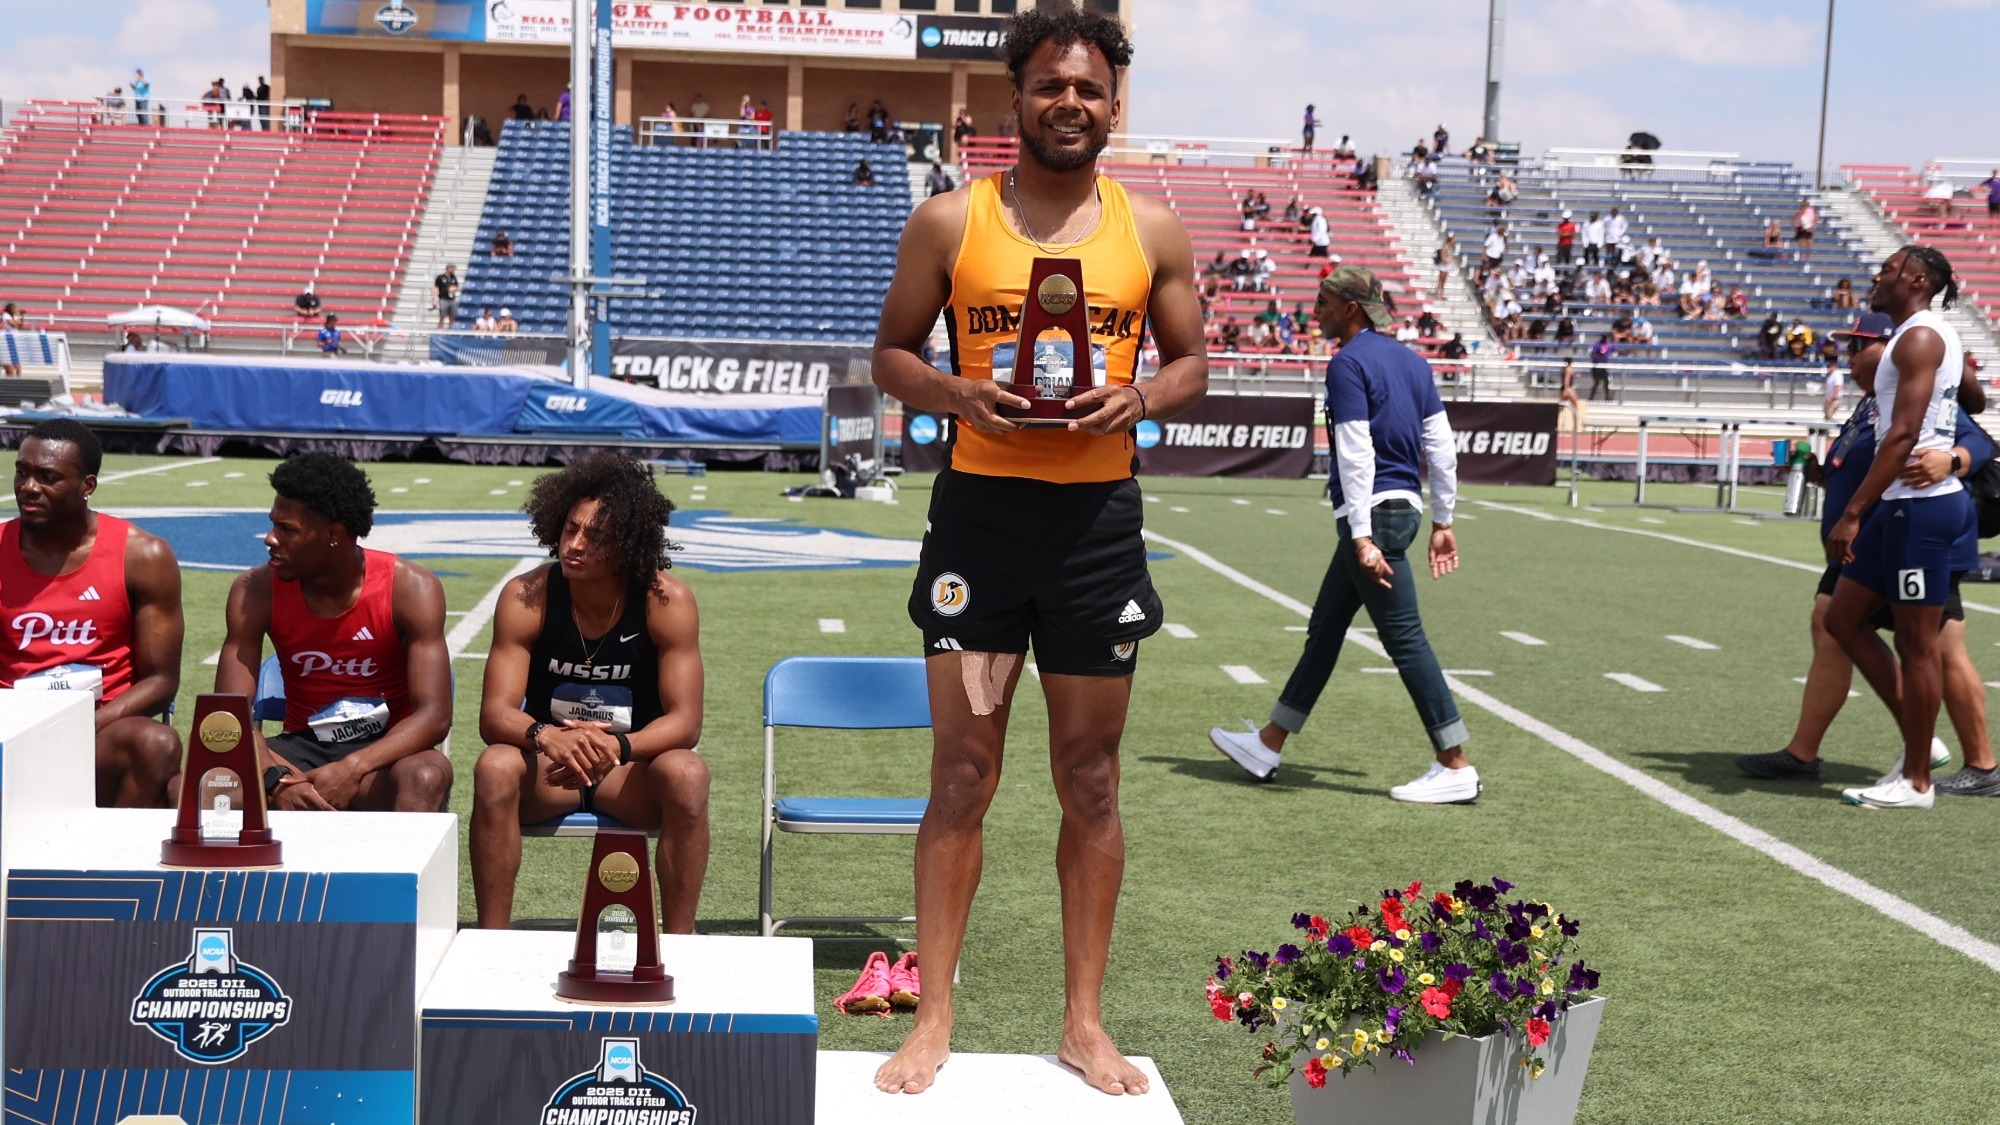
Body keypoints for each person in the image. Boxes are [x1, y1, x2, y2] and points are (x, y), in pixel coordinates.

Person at [866, 5, 1208, 1098]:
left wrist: (1142, 394)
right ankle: (933, 1020)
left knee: (1090, 780)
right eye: (1051, 85)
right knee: (962, 774)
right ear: (1013, 99)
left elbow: (1192, 360)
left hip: (1094, 532)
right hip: (978, 520)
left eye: (1090, 88)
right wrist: (954, 389)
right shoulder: (946, 223)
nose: (1071, 102)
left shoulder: (1150, 229)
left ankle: (1082, 1022)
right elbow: (888, 354)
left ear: (1114, 105)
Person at [1210, 265, 1472, 796]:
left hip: (1372, 519)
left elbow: (1355, 454)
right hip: (1401, 510)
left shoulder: (1347, 364)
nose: (1316, 312)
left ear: (1351, 308)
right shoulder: (1415, 363)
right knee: (1325, 630)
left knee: (1405, 638)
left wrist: (1360, 536)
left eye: (1323, 302)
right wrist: (1443, 519)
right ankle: (1269, 741)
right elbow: (1442, 450)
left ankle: (1455, 764)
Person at [1739, 310, 2000, 797]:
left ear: (1889, 349)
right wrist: (1821, 474)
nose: (1851, 355)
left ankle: (1975, 763)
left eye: (1861, 345)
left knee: (1941, 647)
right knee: (1832, 623)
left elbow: (1975, 441)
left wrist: (1955, 460)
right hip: (1872, 543)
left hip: (1913, 535)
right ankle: (1806, 751)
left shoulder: (1915, 386)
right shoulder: (1869, 405)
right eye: (1849, 346)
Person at [472, 452, 708, 930]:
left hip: (627, 771)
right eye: (570, 529)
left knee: (688, 773)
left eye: (595, 537)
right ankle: (490, 937)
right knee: (495, 765)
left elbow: (686, 722)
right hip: (549, 770)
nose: (574, 545)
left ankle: (683, 943)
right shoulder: (527, 596)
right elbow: (494, 715)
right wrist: (546, 735)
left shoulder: (666, 600)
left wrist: (617, 747)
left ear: (627, 544)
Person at [214, 454, 452, 812]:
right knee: (217, 777)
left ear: (334, 535)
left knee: (426, 774)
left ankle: (392, 870)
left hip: (385, 753)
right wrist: (274, 779)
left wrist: (353, 767)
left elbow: (435, 716)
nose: (270, 539)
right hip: (299, 753)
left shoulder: (410, 588)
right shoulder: (255, 589)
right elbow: (228, 713)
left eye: (287, 529)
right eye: (273, 524)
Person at [1822, 247, 1974, 809]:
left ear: (1915, 280)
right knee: (1842, 617)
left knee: (1917, 644)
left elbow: (1904, 434)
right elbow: (1973, 396)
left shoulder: (1919, 337)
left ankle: (1916, 781)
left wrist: (1854, 511)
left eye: (1886, 270)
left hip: (1921, 506)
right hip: (1902, 503)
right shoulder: (1923, 335)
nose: (1876, 277)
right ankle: (1920, 741)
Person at [2, 419, 183, 808]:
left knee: (157, 743)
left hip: (100, 732)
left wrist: (77, 725)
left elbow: (161, 680)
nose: (28, 487)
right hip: (9, 729)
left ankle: (113, 862)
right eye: (22, 472)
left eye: (47, 477)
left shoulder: (143, 555)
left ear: (87, 485)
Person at [433, 264, 460, 330]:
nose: (453, 270)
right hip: (443, 299)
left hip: (452, 299)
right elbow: (436, 288)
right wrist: (434, 299)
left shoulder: (453, 278)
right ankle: (440, 329)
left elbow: (458, 287)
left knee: (452, 316)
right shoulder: (440, 277)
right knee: (442, 316)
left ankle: (451, 330)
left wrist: (455, 288)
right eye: (452, 268)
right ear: (447, 269)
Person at [1588, 334, 1614, 400]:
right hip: (1597, 365)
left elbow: (1614, 350)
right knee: (1597, 382)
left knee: (1606, 381)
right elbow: (1592, 354)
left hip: (1604, 366)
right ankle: (1591, 397)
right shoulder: (1597, 345)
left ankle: (1607, 397)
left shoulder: (1608, 345)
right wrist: (1600, 357)